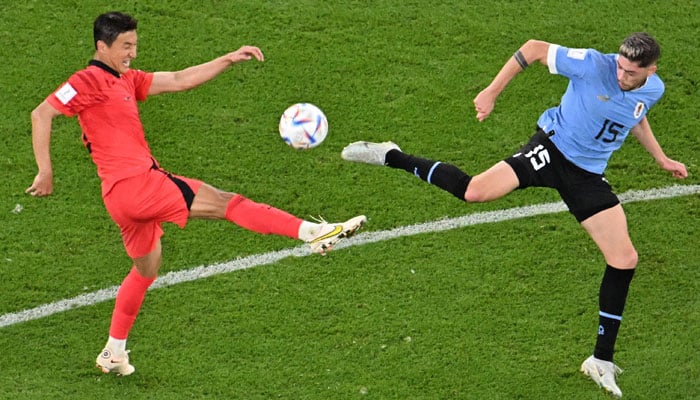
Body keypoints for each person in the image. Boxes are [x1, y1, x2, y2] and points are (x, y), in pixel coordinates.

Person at [341, 32, 687, 397]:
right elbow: (534, 48)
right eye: (619, 67)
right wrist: (491, 92)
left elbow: (636, 116)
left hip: (587, 176)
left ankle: (600, 361)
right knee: (474, 191)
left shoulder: (653, 89)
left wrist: (661, 159)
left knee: (624, 259)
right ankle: (391, 155)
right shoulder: (592, 64)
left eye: (631, 73)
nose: (620, 76)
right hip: (551, 150)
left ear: (651, 70)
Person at [26, 11, 367, 376]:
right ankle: (312, 233)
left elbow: (179, 79)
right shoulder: (87, 79)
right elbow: (41, 113)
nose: (133, 53)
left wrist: (227, 58)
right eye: (126, 46)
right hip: (140, 185)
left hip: (119, 200)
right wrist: (46, 171)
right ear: (101, 45)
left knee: (146, 269)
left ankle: (113, 351)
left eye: (135, 45)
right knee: (226, 202)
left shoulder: (124, 79)